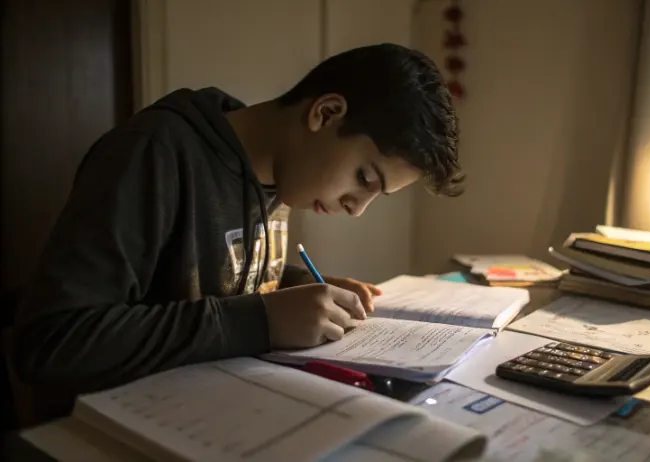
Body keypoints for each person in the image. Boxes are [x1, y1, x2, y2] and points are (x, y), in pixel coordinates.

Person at [11, 43, 463, 417]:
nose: (357, 208)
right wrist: (261, 320)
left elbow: (207, 271)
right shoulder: (153, 155)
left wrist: (300, 286)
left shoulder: (276, 177)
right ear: (325, 113)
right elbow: (52, 342)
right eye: (364, 179)